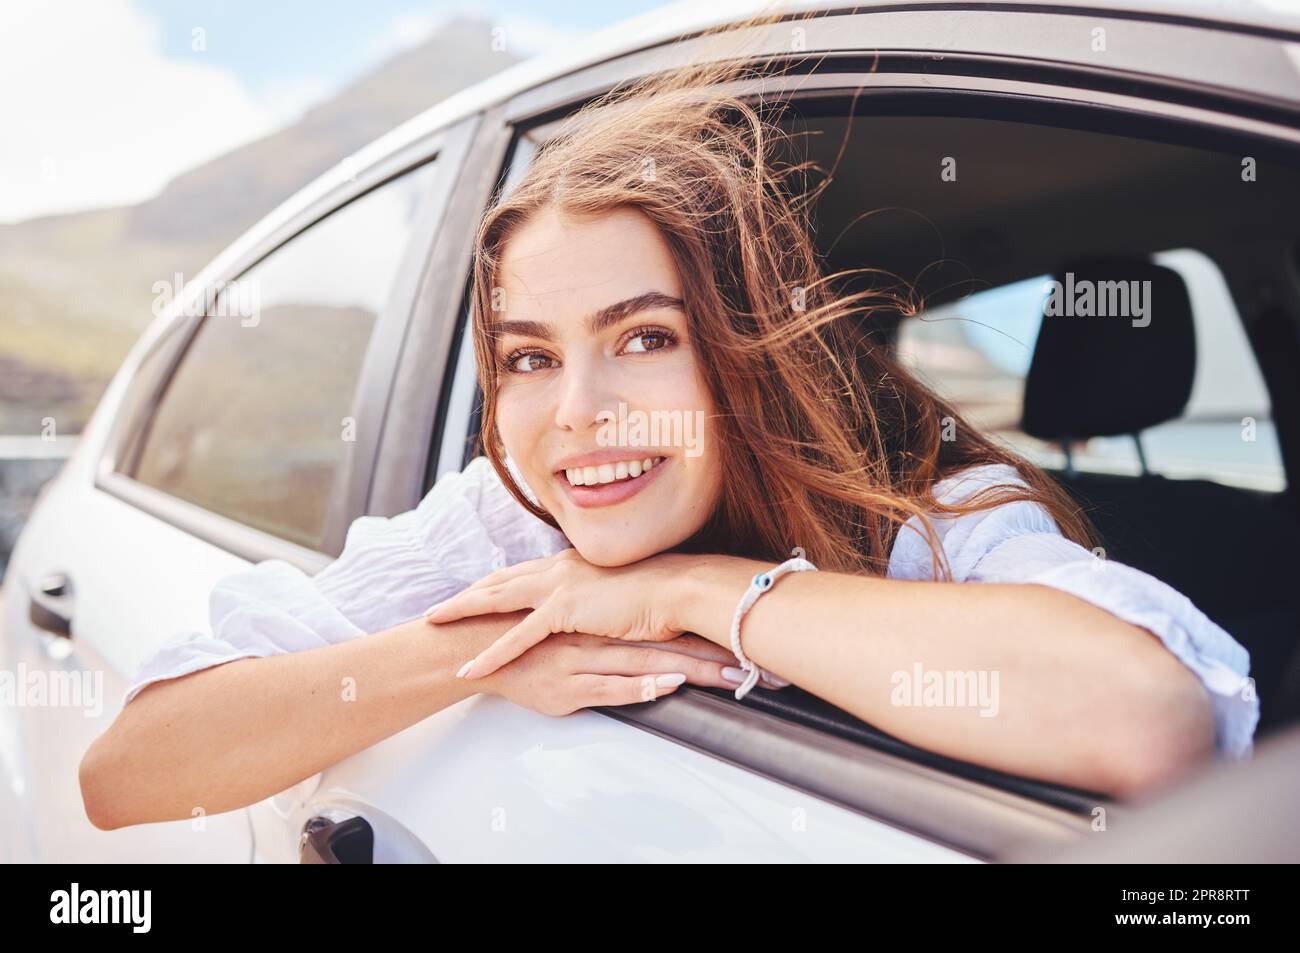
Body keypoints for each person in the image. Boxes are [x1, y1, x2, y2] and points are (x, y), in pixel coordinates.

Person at [79, 25, 1256, 832]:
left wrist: (694, 589)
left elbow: (1150, 719)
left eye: (644, 337)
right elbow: (129, 770)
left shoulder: (926, 514)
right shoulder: (506, 515)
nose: (576, 412)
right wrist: (483, 656)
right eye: (530, 357)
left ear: (747, 352)